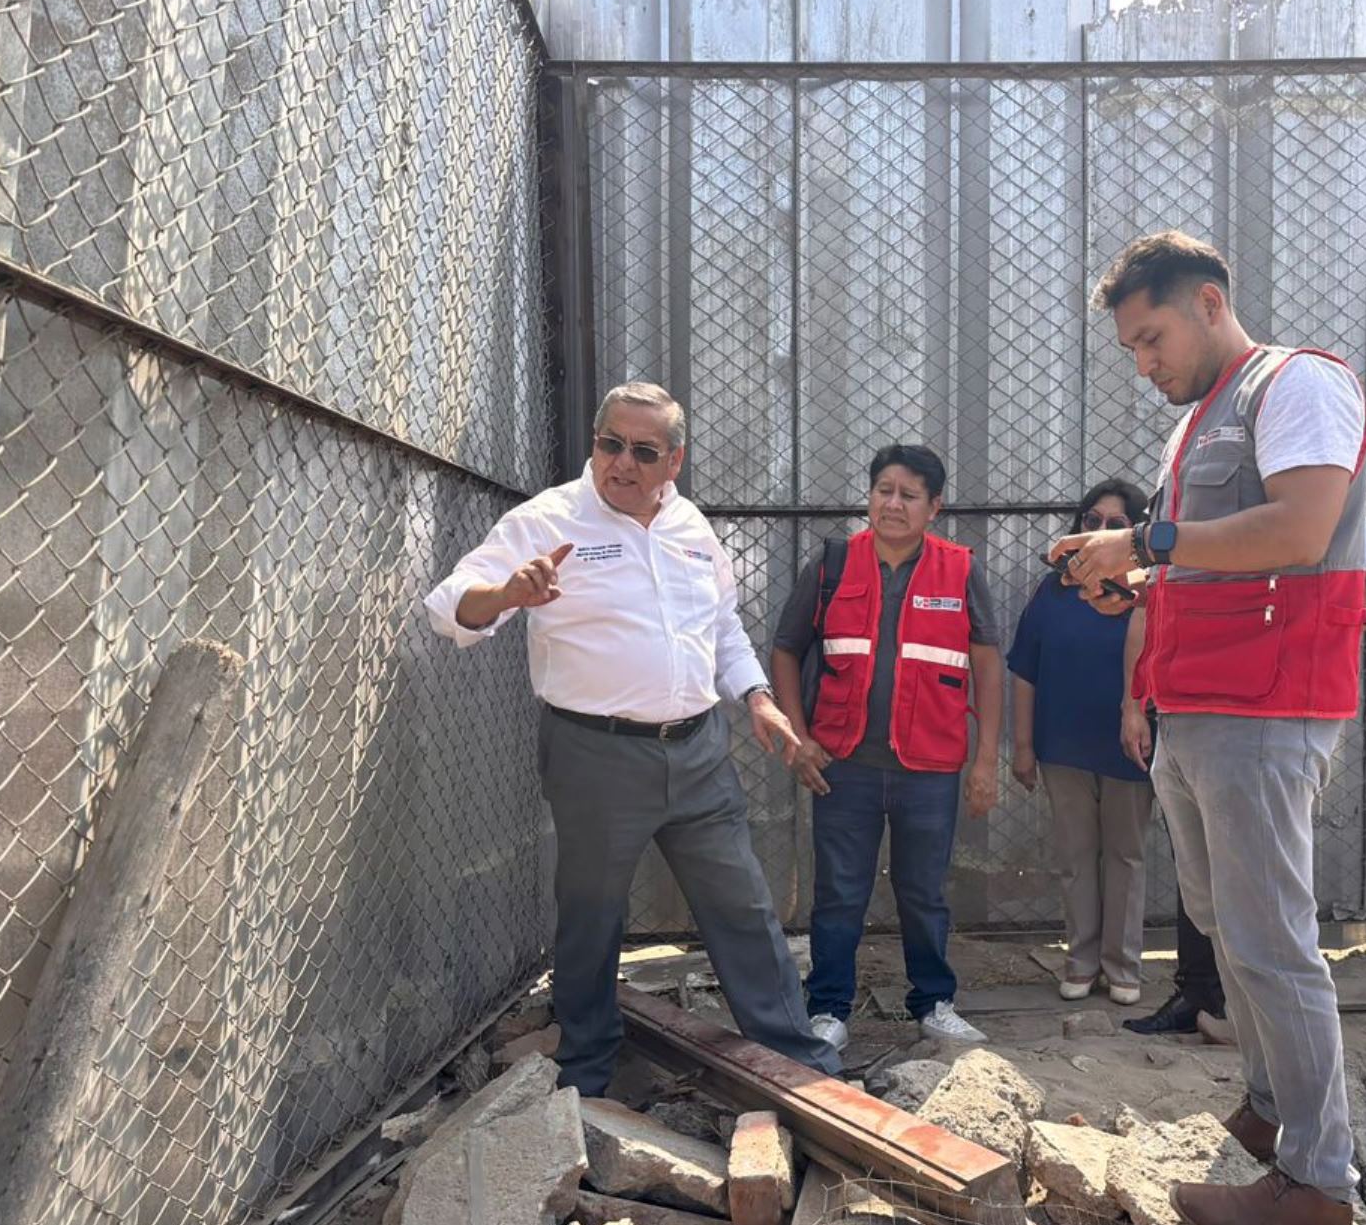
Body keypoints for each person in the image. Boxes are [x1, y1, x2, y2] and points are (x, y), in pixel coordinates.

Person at [1055, 230, 1366, 1225]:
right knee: (1222, 924)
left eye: (1151, 340)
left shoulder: (1297, 384)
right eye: (1132, 350)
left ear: (1207, 300)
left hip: (1266, 709)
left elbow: (1302, 530)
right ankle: (1275, 1111)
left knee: (1272, 939)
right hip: (1199, 705)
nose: (1143, 364)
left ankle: (1318, 1190)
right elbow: (1218, 559)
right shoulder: (1197, 425)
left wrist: (1147, 544)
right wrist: (1139, 582)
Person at [423, 382, 839, 1094]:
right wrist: (506, 596)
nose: (622, 462)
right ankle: (588, 1068)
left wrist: (759, 701)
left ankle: (795, 1059)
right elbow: (447, 608)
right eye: (610, 443)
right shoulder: (548, 520)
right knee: (593, 912)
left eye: (643, 451)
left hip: (699, 751)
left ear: (673, 461)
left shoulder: (691, 528)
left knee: (741, 903)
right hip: (597, 755)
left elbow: (722, 628)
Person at [1122, 521, 1366, 1038]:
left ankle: (1293, 1084)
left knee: (1267, 914)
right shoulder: (1198, 514)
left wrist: (1313, 636)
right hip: (1190, 713)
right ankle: (1221, 1011)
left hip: (1262, 721)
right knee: (1211, 899)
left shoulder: (1313, 504)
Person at [770, 445, 1003, 1051]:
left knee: (924, 891)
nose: (892, 503)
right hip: (843, 766)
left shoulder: (959, 570)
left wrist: (986, 761)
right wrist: (797, 736)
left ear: (935, 507)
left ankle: (933, 1003)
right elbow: (787, 650)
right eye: (883, 490)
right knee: (839, 892)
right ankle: (829, 1009)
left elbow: (986, 663)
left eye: (908, 494)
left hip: (929, 767)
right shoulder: (832, 564)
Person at [1008, 478, 1155, 1008]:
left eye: (1116, 525)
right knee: (1075, 856)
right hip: (1062, 744)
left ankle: (1123, 967)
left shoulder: (1148, 589)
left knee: (1126, 855)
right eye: (1091, 521)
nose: (1099, 532)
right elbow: (1024, 668)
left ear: (1136, 531)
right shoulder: (1053, 590)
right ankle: (1081, 962)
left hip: (1127, 744)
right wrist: (1022, 746)